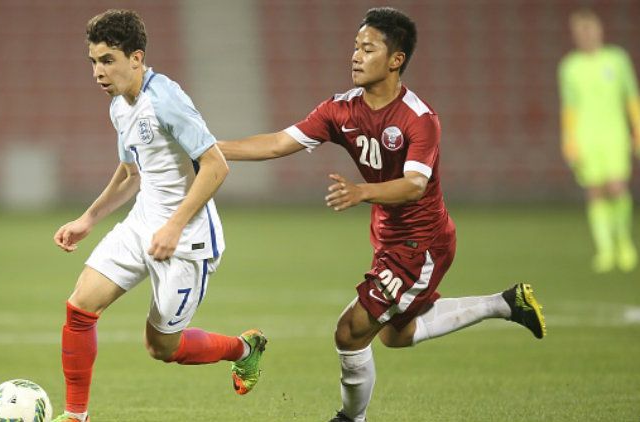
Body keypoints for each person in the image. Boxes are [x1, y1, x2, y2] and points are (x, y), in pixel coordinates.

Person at [218, 7, 546, 422]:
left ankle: (351, 419)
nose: (355, 56)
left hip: (421, 243)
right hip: (389, 238)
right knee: (396, 334)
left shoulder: (419, 119)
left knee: (350, 330)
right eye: (355, 47)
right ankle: (505, 304)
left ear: (396, 60)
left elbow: (415, 184)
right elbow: (279, 142)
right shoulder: (341, 109)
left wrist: (362, 192)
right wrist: (211, 148)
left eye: (367, 49)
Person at [50, 9, 266, 422]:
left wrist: (175, 225)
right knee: (80, 309)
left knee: (161, 348)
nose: (98, 71)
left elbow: (216, 165)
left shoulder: (165, 100)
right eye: (93, 61)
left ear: (137, 57)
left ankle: (245, 349)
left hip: (187, 241)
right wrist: (88, 219)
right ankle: (76, 416)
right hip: (142, 225)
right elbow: (132, 173)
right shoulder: (119, 105)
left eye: (108, 60)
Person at [558, 8, 640, 273]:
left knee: (617, 187)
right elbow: (568, 108)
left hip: (614, 133)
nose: (586, 35)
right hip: (586, 136)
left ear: (599, 30)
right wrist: (569, 140)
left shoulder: (617, 60)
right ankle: (604, 249)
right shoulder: (570, 67)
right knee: (595, 190)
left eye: (589, 29)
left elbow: (631, 98)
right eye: (580, 31)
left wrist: (637, 130)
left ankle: (624, 243)